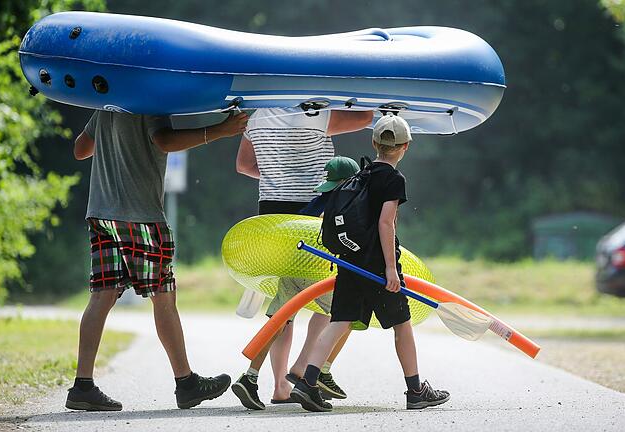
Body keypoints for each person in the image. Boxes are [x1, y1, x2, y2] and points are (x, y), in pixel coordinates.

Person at [65, 110, 249, 411]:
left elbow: (80, 149)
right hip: (140, 215)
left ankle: (82, 386)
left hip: (101, 213)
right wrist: (219, 130)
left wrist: (117, 143)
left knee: (101, 295)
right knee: (163, 296)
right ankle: (186, 383)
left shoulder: (104, 105)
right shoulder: (147, 99)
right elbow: (164, 140)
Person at [290, 113, 450, 412]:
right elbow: (386, 223)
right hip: (377, 266)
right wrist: (391, 268)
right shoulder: (394, 179)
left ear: (374, 142)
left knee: (338, 322)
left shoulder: (358, 175)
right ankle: (415, 391)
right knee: (402, 326)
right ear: (406, 147)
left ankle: (307, 383)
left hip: (350, 263)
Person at [232, 107, 372, 409]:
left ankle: (280, 384)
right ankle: (307, 368)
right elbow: (364, 118)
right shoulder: (317, 114)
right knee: (333, 295)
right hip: (312, 215)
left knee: (287, 305)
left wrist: (276, 172)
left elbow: (244, 165)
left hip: (271, 215)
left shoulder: (255, 117)